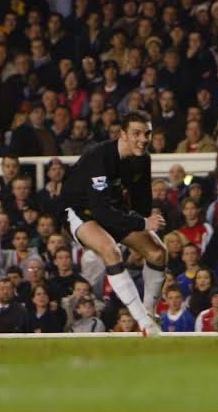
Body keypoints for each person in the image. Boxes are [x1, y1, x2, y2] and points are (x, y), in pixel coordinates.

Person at [61, 110, 166, 336]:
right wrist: (141, 224)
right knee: (111, 250)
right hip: (81, 211)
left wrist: (141, 226)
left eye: (147, 133)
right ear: (123, 134)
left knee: (158, 253)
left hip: (114, 209)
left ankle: (149, 312)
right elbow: (100, 211)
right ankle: (143, 322)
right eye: (136, 133)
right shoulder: (98, 157)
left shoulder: (142, 159)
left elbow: (142, 204)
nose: (143, 139)